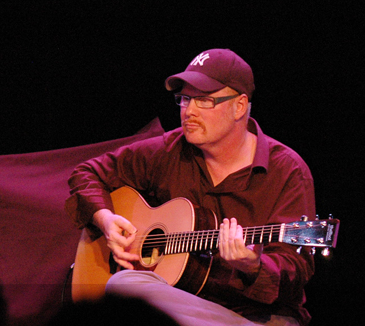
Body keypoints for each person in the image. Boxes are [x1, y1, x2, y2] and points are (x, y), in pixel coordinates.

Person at [65, 49, 315, 326]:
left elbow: (296, 268)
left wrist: (252, 265)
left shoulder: (288, 170)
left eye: (204, 101)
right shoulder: (167, 150)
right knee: (125, 284)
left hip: (256, 315)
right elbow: (87, 173)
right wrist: (107, 220)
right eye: (184, 99)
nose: (189, 111)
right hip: (176, 302)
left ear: (240, 106)